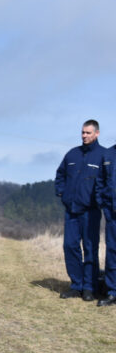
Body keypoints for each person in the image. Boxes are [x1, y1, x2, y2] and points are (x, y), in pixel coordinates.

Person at [55, 119, 105, 302]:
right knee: (70, 246)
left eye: (88, 133)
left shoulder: (103, 155)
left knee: (90, 249)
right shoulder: (72, 154)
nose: (84, 136)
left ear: (97, 134)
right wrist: (61, 192)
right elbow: (60, 174)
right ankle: (76, 285)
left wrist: (100, 202)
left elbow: (108, 182)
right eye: (83, 132)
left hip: (90, 212)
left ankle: (89, 288)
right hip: (71, 210)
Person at [98, 144, 116, 307]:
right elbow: (101, 181)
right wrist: (103, 204)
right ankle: (112, 292)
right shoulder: (108, 154)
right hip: (112, 214)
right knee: (112, 253)